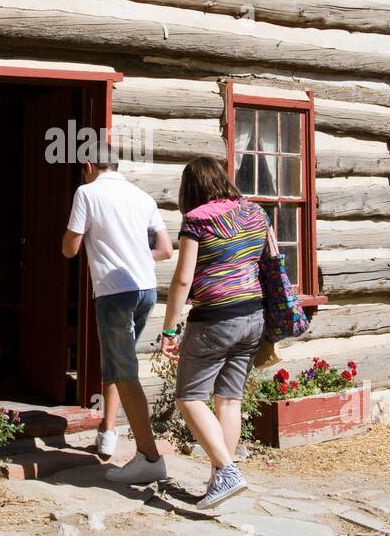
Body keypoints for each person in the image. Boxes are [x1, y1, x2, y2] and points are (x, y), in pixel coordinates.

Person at [160, 156, 268, 508]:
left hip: (214, 318)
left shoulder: (196, 220)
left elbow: (182, 278)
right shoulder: (255, 213)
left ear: (190, 188)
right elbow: (264, 261)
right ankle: (219, 479)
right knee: (229, 399)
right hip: (253, 315)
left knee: (189, 397)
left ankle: (226, 470)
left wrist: (170, 329)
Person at [62, 157, 173, 484]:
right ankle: (108, 432)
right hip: (146, 290)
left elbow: (70, 247)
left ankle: (149, 456)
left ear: (89, 164)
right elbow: (165, 249)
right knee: (118, 361)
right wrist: (136, 254)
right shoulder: (143, 197)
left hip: (114, 292)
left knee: (124, 371)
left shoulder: (86, 193)